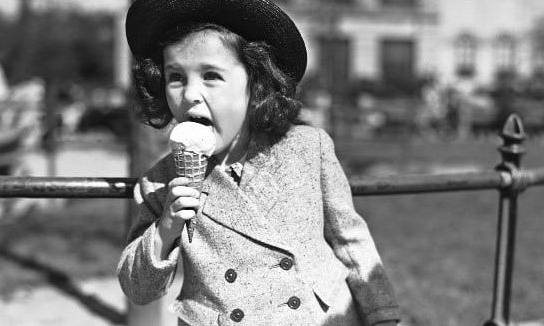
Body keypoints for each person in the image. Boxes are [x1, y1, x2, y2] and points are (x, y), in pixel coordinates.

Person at [117, 1, 400, 325]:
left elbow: (352, 242)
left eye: (211, 75)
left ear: (255, 83)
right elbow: (136, 288)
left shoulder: (308, 149)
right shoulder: (161, 182)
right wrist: (166, 228)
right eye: (176, 77)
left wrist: (382, 315)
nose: (191, 94)